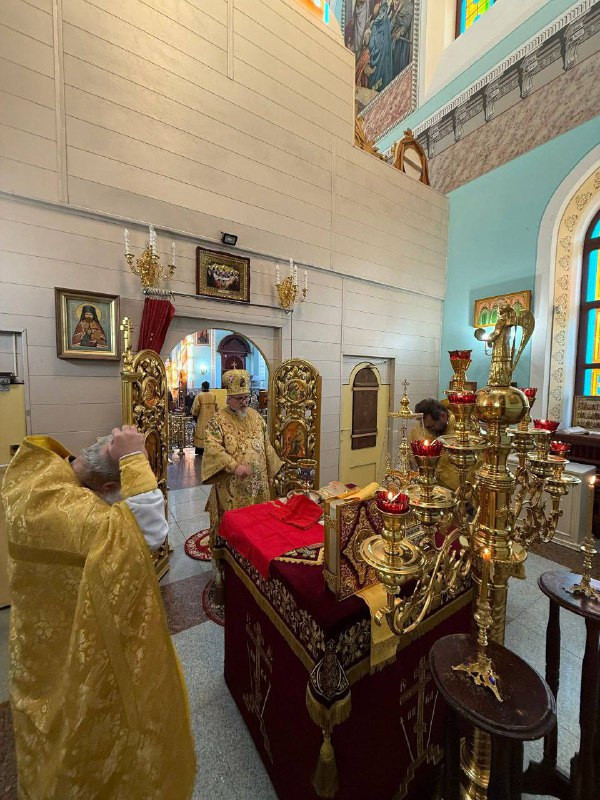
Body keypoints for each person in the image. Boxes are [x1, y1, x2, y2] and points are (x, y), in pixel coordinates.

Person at [1, 426, 196, 800]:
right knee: (74, 740)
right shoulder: (83, 520)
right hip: (70, 656)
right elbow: (152, 533)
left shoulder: (36, 476)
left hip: (35, 653)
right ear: (107, 488)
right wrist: (133, 458)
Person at [202, 369, 282, 540]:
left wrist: (270, 473)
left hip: (259, 486)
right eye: (239, 398)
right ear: (229, 399)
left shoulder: (256, 416)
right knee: (237, 529)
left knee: (259, 526)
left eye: (247, 397)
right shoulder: (217, 420)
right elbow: (212, 448)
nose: (245, 402)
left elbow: (266, 445)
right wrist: (234, 466)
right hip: (233, 487)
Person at [412, 397, 459, 490]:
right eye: (426, 427)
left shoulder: (459, 430)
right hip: (431, 485)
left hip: (453, 487)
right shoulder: (423, 428)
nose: (430, 430)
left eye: (432, 426)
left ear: (443, 416)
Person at [191, 380, 219, 456]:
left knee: (202, 434)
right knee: (211, 434)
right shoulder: (213, 395)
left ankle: (201, 451)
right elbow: (217, 408)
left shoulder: (199, 396)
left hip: (202, 420)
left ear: (202, 387)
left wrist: (195, 417)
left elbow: (195, 409)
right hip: (211, 420)